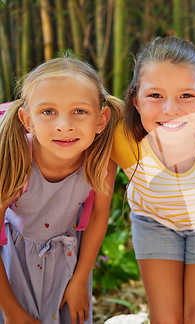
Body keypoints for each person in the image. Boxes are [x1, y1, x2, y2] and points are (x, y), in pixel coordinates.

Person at [110, 36, 195, 323]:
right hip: (154, 222)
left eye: (187, 96)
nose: (171, 109)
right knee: (166, 319)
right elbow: (58, 105)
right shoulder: (120, 135)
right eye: (155, 96)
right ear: (135, 100)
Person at [0, 57, 122, 323]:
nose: (64, 125)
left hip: (67, 263)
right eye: (48, 112)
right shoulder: (12, 155)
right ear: (27, 119)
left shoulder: (101, 159)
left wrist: (79, 280)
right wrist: (11, 312)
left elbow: (99, 217)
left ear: (101, 119)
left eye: (79, 111)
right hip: (10, 266)